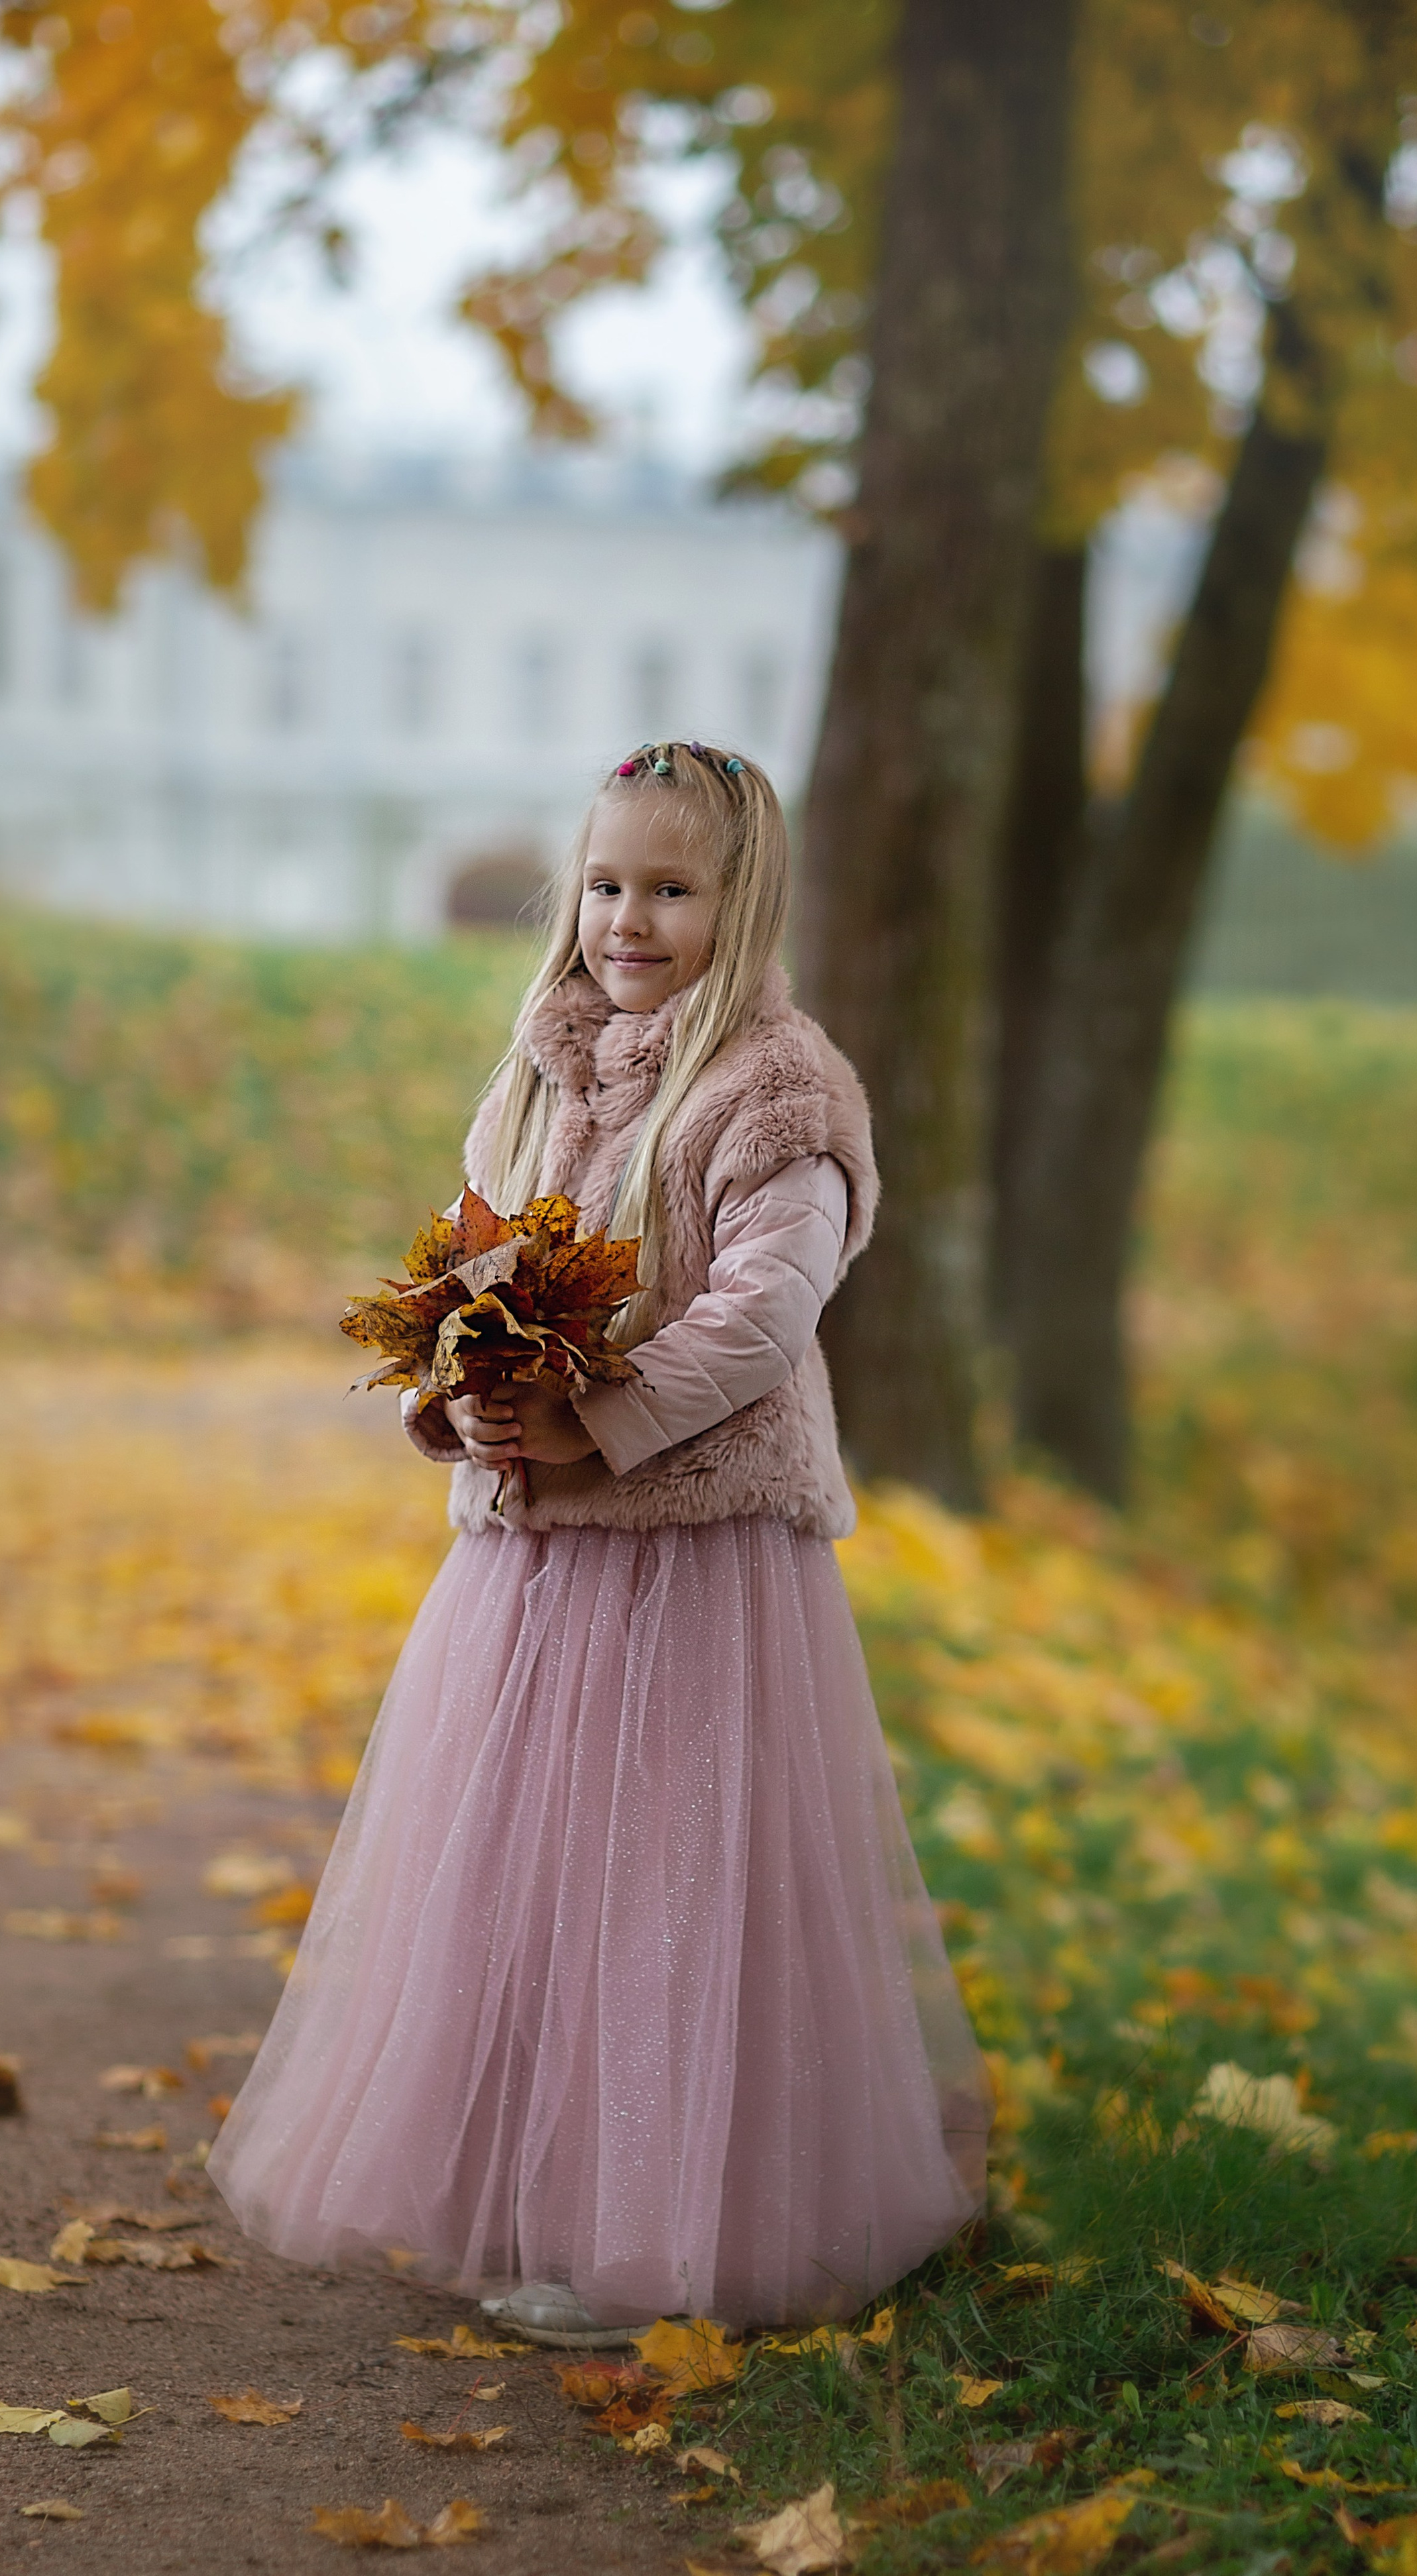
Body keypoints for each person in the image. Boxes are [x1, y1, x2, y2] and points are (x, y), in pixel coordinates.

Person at [209, 741, 990, 2348]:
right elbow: (468, 1269)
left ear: (741, 900)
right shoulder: (540, 1070)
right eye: (606, 883)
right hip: (532, 1555)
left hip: (690, 1559)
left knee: (661, 1878)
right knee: (513, 1870)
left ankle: (655, 2227)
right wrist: (469, 1404)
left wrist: (602, 1420)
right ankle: (524, 2182)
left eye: (671, 889)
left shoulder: (776, 1094)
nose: (628, 919)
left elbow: (763, 1311)